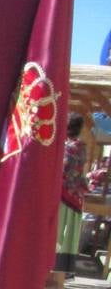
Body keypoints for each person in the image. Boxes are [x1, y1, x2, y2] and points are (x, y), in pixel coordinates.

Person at [55, 112, 88, 279]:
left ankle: (55, 277)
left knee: (58, 235)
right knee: (70, 236)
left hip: (63, 197)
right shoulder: (82, 146)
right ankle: (62, 277)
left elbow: (63, 171)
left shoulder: (67, 147)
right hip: (77, 197)